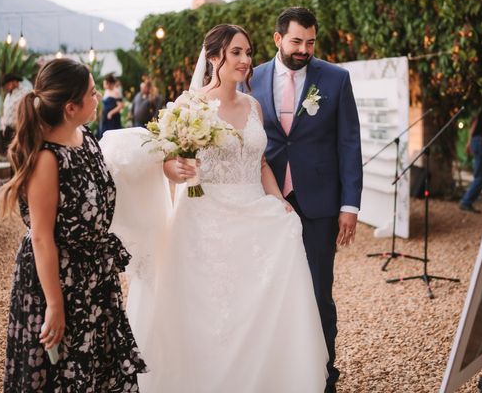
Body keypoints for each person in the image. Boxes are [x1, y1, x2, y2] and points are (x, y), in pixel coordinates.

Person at [101, 24, 328, 392]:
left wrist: (279, 201)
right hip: (205, 221)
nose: (244, 60)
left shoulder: (253, 106)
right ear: (213, 57)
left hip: (254, 217)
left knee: (259, 310)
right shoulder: (188, 106)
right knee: (210, 318)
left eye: (248, 52)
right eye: (235, 52)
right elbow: (168, 164)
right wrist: (177, 168)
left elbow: (261, 163)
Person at [1, 58, 146, 392]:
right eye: (93, 94)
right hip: (59, 280)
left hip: (95, 276)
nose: (98, 99)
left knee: (100, 370)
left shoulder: (87, 138)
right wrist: (54, 304)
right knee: (63, 372)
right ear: (70, 107)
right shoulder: (47, 159)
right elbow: (40, 237)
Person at [249, 7, 363, 393]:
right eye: (297, 41)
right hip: (266, 202)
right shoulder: (253, 78)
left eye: (310, 42)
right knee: (272, 289)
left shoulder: (335, 78)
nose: (304, 49)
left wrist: (349, 206)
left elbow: (349, 143)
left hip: (319, 203)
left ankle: (324, 374)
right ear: (278, 39)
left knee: (318, 291)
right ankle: (282, 372)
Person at [0, 74, 30, 155]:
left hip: (20, 129)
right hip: (9, 130)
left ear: (14, 82)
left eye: (6, 84)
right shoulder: (8, 96)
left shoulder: (25, 92)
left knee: (20, 154)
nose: (5, 87)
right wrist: (3, 127)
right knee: (11, 155)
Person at [98, 73, 124, 138]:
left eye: (105, 83)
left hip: (113, 119)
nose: (104, 85)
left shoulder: (116, 91)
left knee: (112, 136)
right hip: (105, 118)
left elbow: (120, 105)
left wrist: (111, 113)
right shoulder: (106, 91)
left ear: (109, 83)